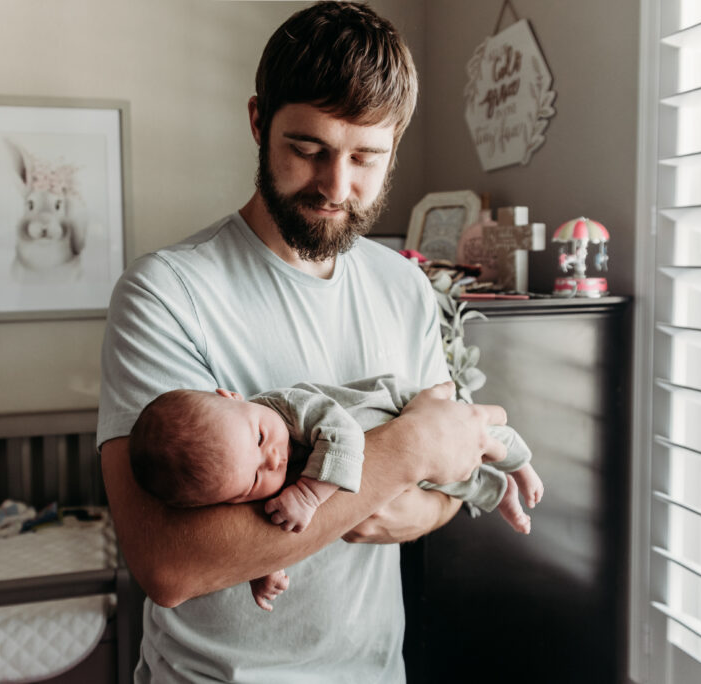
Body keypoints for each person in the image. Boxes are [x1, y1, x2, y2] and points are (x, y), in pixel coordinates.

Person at [97, 3, 512, 681]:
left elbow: (445, 484)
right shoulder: (166, 293)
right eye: (308, 149)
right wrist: (400, 453)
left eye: (366, 158)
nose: (336, 186)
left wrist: (416, 503)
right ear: (259, 122)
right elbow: (169, 566)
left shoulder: (404, 288)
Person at [128, 374, 544, 611]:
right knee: (458, 479)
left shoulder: (288, 406)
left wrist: (309, 495)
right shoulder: (238, 472)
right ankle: (502, 491)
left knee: (489, 441)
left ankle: (521, 468)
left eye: (258, 437)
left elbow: (345, 438)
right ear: (233, 498)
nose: (272, 458)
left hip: (392, 412)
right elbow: (254, 534)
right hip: (416, 474)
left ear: (232, 397)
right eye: (255, 479)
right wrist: (258, 569)